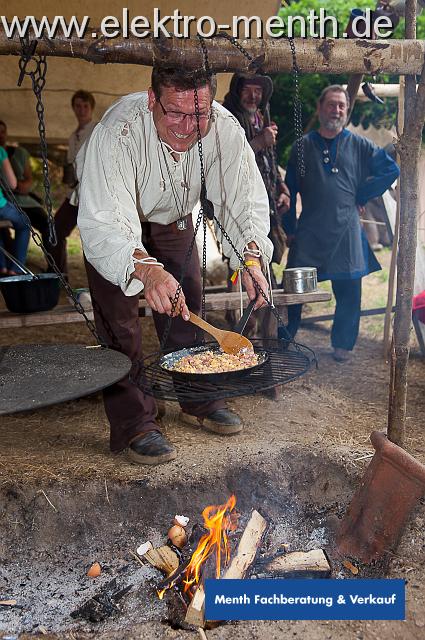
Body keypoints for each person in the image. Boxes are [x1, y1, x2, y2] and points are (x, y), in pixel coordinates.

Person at [77, 67, 273, 466]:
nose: (187, 127)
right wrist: (146, 270)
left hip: (175, 217)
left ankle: (197, 398)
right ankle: (135, 423)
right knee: (121, 323)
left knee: (187, 306)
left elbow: (242, 199)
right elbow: (107, 220)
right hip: (114, 216)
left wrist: (250, 257)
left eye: (198, 115)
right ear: (153, 100)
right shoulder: (119, 131)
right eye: (175, 114)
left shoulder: (224, 130)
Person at [282, 84, 399, 362]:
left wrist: (361, 194)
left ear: (346, 111)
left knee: (349, 292)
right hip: (309, 230)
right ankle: (284, 338)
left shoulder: (359, 145)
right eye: (331, 104)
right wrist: (289, 229)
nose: (336, 110)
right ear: (320, 108)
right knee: (294, 289)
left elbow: (389, 169)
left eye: (341, 106)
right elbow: (289, 191)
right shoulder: (302, 146)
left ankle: (342, 346)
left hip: (346, 230)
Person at [222, 73, 290, 264]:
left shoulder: (260, 117)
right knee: (242, 259)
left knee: (265, 254)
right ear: (237, 91)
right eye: (247, 90)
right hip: (240, 204)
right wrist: (259, 142)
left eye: (258, 91)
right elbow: (227, 162)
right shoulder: (226, 119)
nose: (253, 96)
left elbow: (270, 161)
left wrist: (282, 189)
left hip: (264, 202)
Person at [49, 90, 97, 277]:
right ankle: (59, 274)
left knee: (94, 236)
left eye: (85, 106)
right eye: (78, 106)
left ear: (91, 108)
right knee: (56, 229)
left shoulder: (96, 129)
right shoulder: (72, 136)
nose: (82, 109)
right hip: (75, 194)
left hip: (92, 193)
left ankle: (101, 280)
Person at [0, 120, 51, 264]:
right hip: (7, 202)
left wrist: (24, 186)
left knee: (47, 225)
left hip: (23, 200)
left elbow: (28, 179)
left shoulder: (20, 153)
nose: (0, 135)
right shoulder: (1, 154)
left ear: (7, 133)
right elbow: (11, 184)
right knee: (5, 232)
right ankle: (12, 266)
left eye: (3, 131)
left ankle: (54, 268)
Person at [0, 145, 30, 275]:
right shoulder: (1, 151)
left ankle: (2, 266)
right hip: (1, 207)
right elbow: (13, 184)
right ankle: (16, 269)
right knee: (24, 223)